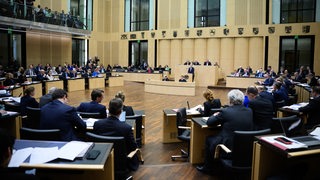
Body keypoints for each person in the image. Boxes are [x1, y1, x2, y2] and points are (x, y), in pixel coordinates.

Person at [196, 89, 253, 173]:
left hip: (229, 147)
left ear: (230, 100)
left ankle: (208, 168)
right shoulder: (249, 111)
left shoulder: (226, 111)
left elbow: (210, 122)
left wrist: (215, 115)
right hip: (245, 147)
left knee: (209, 139)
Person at [93, 98, 139, 171]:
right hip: (121, 162)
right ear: (121, 111)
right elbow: (133, 147)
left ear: (108, 109)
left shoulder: (97, 124)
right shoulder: (126, 128)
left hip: (102, 158)